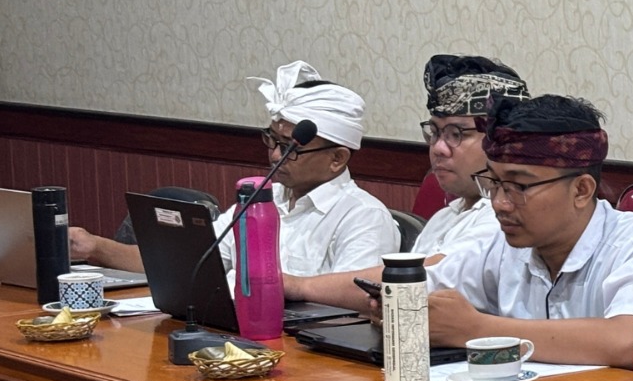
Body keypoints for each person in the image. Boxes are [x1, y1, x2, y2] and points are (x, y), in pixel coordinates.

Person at [284, 94, 633, 368]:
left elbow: (630, 340)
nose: (499, 202)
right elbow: (418, 279)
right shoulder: (503, 246)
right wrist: (300, 287)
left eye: (519, 186)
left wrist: (476, 330)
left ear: (582, 190)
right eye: (493, 183)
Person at [68, 60, 399, 276]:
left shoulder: (363, 217)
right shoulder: (263, 199)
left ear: (337, 158)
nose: (274, 157)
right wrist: (95, 247)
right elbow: (190, 262)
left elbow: (352, 307)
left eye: (290, 148)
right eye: (272, 141)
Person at [412, 54, 528, 257]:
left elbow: (436, 270)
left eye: (456, 134)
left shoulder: (505, 217)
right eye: (435, 132)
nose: (438, 148)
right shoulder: (444, 217)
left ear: (500, 139)